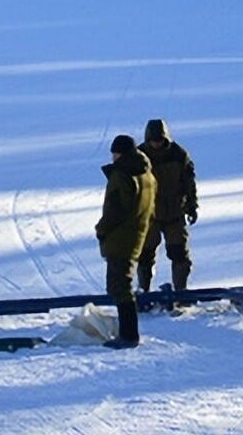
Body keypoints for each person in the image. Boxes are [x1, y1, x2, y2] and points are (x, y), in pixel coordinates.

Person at [95, 132, 155, 348]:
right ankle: (128, 333)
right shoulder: (147, 174)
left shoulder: (123, 175)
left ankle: (129, 335)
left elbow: (116, 210)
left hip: (121, 237)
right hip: (137, 234)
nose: (113, 158)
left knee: (120, 286)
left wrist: (101, 229)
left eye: (115, 154)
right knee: (122, 284)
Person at [136, 118, 199, 294]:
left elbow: (189, 182)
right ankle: (143, 292)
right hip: (149, 215)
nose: (156, 144)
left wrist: (192, 205)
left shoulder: (179, 155)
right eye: (153, 140)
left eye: (159, 140)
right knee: (145, 255)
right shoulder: (139, 156)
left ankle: (181, 292)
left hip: (174, 213)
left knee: (179, 254)